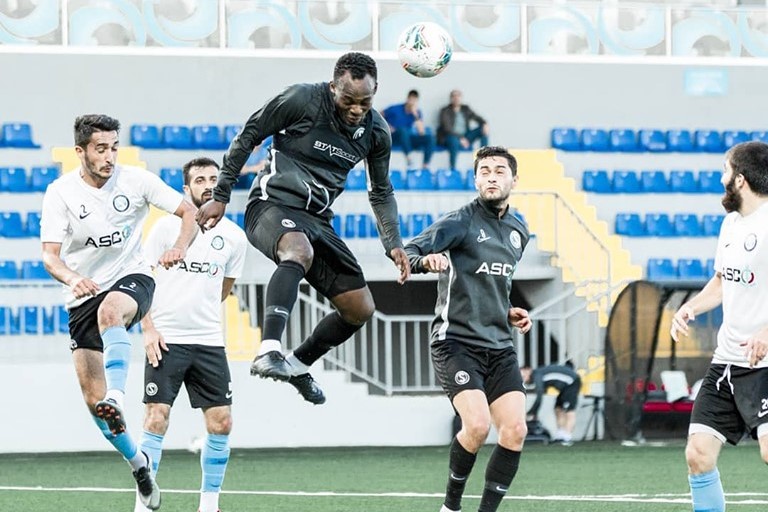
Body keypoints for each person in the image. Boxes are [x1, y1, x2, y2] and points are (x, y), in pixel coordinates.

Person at [195, 52, 411, 404]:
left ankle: (296, 365)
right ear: (333, 87)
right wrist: (221, 194)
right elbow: (249, 134)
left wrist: (394, 242)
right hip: (271, 205)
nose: (356, 109)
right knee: (298, 250)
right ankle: (268, 349)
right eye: (348, 100)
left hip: (318, 219)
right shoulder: (302, 99)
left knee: (360, 308)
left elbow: (381, 191)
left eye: (365, 102)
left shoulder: (376, 132)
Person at [40, 114, 198, 510]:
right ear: (80, 151)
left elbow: (189, 213)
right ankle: (139, 464)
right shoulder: (60, 193)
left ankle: (118, 393)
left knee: (111, 312)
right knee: (95, 406)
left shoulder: (137, 180)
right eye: (100, 149)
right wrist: (72, 278)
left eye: (113, 147)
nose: (109, 156)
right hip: (82, 296)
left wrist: (179, 246)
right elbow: (50, 256)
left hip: (133, 279)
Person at [404, 146, 532, 512]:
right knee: (476, 425)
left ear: (514, 180)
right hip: (456, 342)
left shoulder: (519, 232)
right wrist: (425, 261)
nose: (492, 177)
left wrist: (508, 311)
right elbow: (408, 252)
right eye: (484, 171)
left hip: (500, 345)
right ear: (475, 180)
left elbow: (494, 285)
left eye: (499, 171)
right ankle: (451, 507)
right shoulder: (459, 222)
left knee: (516, 430)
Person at [134, 157, 247, 512]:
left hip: (209, 342)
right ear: (186, 188)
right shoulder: (164, 229)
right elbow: (141, 280)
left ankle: (209, 506)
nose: (208, 185)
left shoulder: (235, 237)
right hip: (166, 340)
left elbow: (224, 289)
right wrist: (148, 329)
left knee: (222, 423)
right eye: (200, 180)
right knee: (156, 418)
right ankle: (143, 506)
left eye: (214, 178)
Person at [671, 140, 768, 512]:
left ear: (740, 179)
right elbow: (722, 281)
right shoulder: (730, 224)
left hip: (764, 364)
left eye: (725, 171)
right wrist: (689, 308)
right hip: (727, 361)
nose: (721, 179)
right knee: (698, 454)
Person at [520, 364, 581, 446]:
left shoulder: (537, 375)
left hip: (572, 382)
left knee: (569, 410)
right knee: (558, 409)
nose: (524, 380)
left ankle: (567, 437)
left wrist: (531, 412)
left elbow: (539, 397)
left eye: (523, 377)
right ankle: (561, 435)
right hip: (564, 388)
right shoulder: (539, 374)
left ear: (528, 370)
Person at [382, 89, 436, 170]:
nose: (412, 102)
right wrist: (387, 126)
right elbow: (379, 115)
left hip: (407, 138)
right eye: (411, 99)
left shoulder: (417, 112)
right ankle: (409, 160)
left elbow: (421, 132)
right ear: (407, 98)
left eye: (414, 100)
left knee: (430, 138)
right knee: (403, 130)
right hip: (394, 136)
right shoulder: (395, 108)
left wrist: (415, 114)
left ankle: (425, 165)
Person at [437, 89, 489, 171]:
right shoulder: (445, 110)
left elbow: (477, 118)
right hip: (450, 137)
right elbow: (447, 128)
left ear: (461, 98)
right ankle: (453, 168)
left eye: (458, 96)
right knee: (453, 141)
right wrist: (460, 138)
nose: (456, 98)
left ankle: (484, 160)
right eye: (454, 96)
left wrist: (484, 124)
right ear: (451, 98)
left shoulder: (465, 109)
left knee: (483, 130)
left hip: (466, 136)